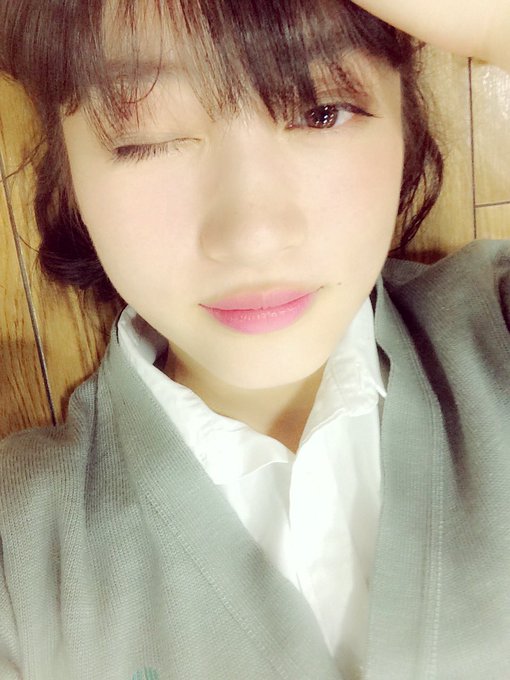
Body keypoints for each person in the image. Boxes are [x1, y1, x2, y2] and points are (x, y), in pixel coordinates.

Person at [0, 0, 509, 678]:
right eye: (144, 135)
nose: (253, 234)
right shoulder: (20, 552)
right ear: (68, 175)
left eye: (322, 111)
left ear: (405, 119)